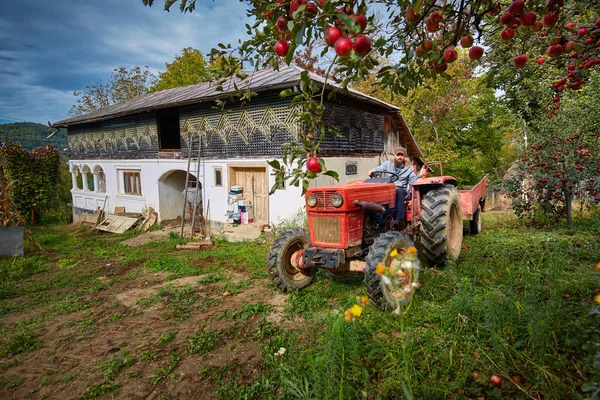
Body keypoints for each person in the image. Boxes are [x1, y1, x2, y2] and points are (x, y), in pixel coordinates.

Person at [368, 147, 427, 228]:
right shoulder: (388, 163)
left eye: (401, 155)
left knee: (399, 192)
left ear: (404, 156)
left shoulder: (408, 168)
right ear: (395, 155)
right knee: (374, 194)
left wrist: (419, 175)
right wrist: (372, 171)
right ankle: (376, 219)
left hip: (400, 189)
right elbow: (379, 169)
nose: (399, 157)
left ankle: (398, 219)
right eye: (398, 155)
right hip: (387, 188)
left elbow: (412, 181)